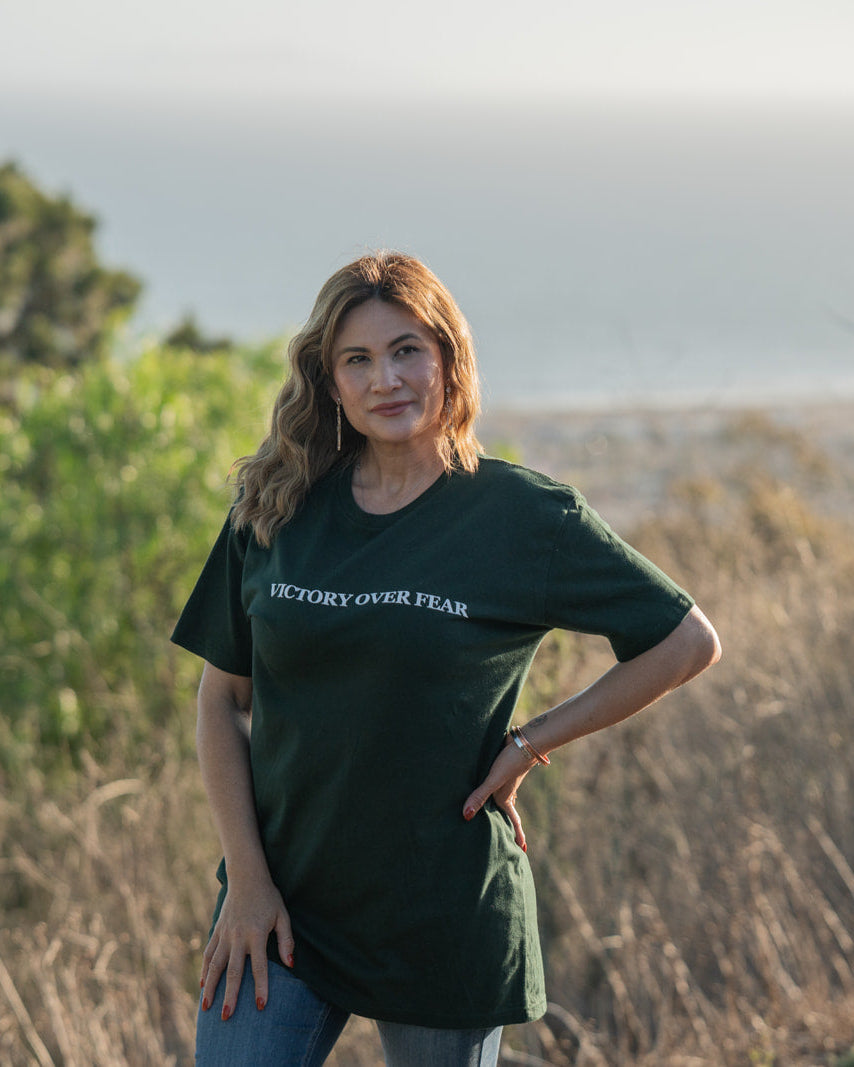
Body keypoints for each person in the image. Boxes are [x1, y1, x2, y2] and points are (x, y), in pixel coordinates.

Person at [171, 251, 721, 1067]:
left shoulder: (521, 515)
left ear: (448, 362)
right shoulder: (275, 507)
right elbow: (222, 702)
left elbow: (685, 641)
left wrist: (532, 743)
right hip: (282, 904)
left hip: (442, 910)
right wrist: (246, 884)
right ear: (328, 383)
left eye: (407, 351)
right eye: (356, 359)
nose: (385, 379)